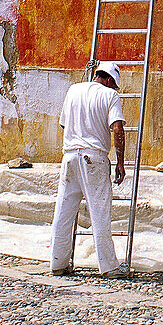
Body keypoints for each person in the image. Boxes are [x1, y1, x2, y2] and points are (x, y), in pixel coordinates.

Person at [50, 62, 126, 278]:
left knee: (63, 212)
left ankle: (58, 263)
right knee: (100, 213)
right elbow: (117, 129)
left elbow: (64, 124)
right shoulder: (110, 96)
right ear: (110, 80)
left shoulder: (73, 90)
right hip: (94, 159)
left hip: (70, 157)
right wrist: (120, 162)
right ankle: (109, 267)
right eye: (114, 85)